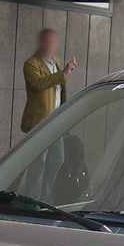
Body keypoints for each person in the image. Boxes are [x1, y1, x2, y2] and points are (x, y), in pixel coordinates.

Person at [21, 29, 77, 199]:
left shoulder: (56, 62)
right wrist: (63, 73)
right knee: (39, 163)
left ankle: (42, 197)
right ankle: (32, 200)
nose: (51, 45)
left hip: (55, 119)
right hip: (39, 120)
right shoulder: (31, 64)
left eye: (53, 42)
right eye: (47, 41)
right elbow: (39, 83)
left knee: (58, 158)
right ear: (41, 43)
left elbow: (58, 88)